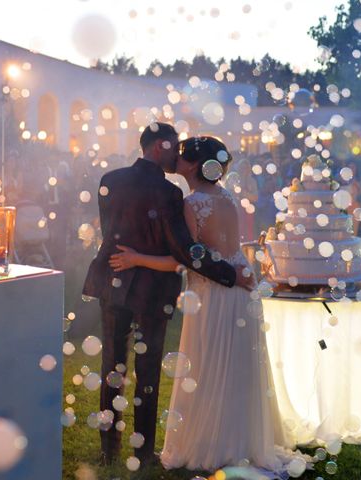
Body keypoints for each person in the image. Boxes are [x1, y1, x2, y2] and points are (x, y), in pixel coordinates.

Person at [109, 136, 300, 473]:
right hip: (241, 286)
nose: (176, 159)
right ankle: (240, 442)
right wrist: (238, 270)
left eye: (182, 155)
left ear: (194, 165)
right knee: (235, 366)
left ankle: (209, 446)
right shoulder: (227, 197)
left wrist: (137, 258)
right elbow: (224, 248)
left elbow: (185, 259)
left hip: (213, 292)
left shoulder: (193, 202)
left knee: (207, 364)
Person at [82, 124, 250, 467]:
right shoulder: (169, 194)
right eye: (174, 146)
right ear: (160, 146)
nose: (178, 154)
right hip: (150, 289)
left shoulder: (109, 179)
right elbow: (185, 250)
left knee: (111, 364)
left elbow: (111, 231)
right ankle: (142, 452)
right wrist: (229, 274)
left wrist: (129, 259)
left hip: (113, 279)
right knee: (147, 370)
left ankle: (108, 447)